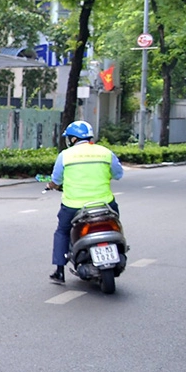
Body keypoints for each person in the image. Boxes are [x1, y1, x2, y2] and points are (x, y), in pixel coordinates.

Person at [46, 119, 122, 284]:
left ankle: (59, 270)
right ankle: (118, 247)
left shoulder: (65, 155)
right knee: (116, 222)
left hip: (74, 206)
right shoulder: (105, 152)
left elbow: (56, 180)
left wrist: (51, 185)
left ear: (73, 139)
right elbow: (118, 174)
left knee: (62, 232)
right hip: (105, 205)